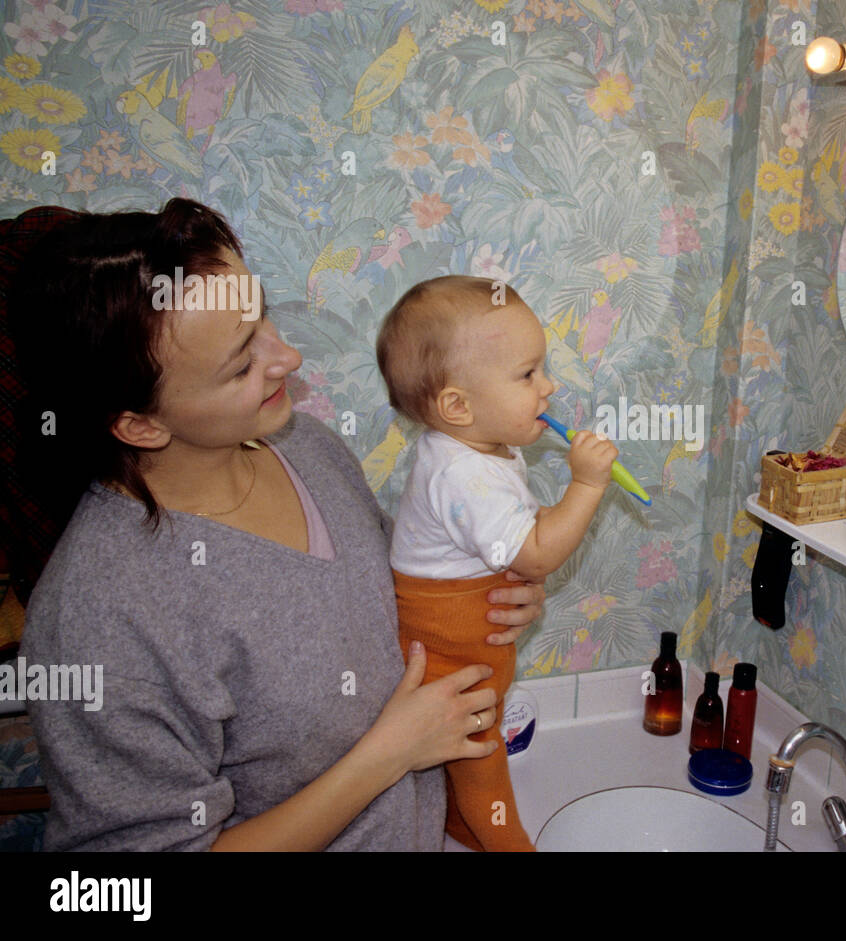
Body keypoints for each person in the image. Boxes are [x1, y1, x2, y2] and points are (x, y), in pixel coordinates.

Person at [14, 199, 544, 851]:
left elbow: (385, 598)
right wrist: (387, 754)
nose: (287, 356)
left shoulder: (305, 447)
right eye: (241, 364)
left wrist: (484, 586)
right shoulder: (102, 618)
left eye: (260, 315)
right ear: (140, 424)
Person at [376, 276, 617, 851]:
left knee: (469, 760)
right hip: (449, 662)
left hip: (463, 647)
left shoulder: (474, 449)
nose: (549, 387)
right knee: (484, 766)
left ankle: (456, 827)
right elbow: (535, 554)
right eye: (528, 375)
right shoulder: (466, 473)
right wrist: (585, 485)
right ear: (458, 406)